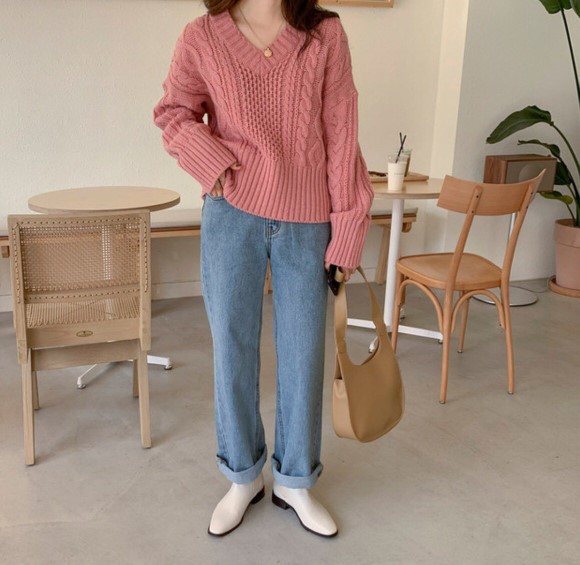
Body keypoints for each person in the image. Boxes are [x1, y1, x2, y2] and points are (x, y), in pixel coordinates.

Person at [153, 0, 373, 538]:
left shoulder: (324, 33)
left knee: (304, 350)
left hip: (307, 218)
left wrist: (347, 225)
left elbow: (341, 134)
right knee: (231, 346)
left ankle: (295, 480)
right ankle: (242, 474)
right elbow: (173, 112)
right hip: (231, 215)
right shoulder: (203, 35)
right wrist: (212, 164)